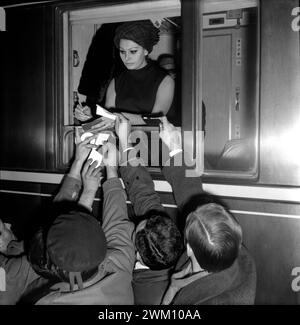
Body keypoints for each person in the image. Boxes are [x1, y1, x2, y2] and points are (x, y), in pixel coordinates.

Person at [0, 131, 135, 305]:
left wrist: (83, 167)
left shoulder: (44, 293)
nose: (9, 226)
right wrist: (106, 172)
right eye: (2, 230)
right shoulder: (119, 268)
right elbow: (117, 225)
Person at [157, 117, 256, 305]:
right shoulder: (237, 256)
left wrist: (172, 289)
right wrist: (176, 149)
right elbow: (190, 195)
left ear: (189, 248)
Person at [114, 114, 183, 304]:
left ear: (136, 252)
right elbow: (144, 196)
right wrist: (125, 143)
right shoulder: (160, 241)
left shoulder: (138, 295)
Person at [75, 20, 175, 127]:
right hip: (120, 141)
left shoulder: (164, 80)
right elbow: (109, 119)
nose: (126, 58)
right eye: (122, 52)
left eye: (133, 51)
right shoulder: (116, 81)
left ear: (146, 50)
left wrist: (118, 117)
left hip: (152, 142)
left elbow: (157, 119)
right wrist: (91, 114)